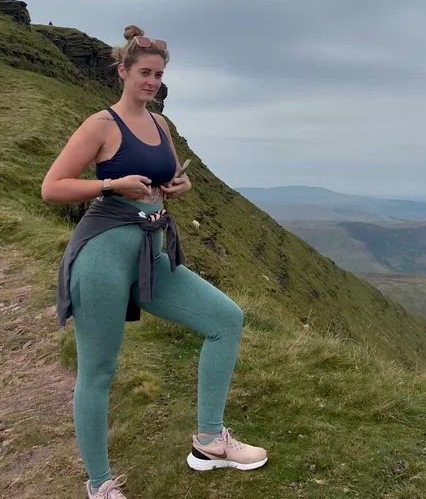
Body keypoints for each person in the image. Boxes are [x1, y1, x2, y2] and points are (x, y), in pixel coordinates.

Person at [42, 25, 267, 498]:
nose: (152, 81)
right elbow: (53, 187)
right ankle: (99, 485)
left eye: (159, 75)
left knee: (226, 319)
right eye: (144, 72)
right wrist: (110, 185)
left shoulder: (160, 125)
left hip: (152, 251)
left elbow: (160, 181)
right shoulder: (101, 124)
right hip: (102, 254)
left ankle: (208, 441)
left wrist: (175, 189)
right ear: (122, 71)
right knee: (98, 370)